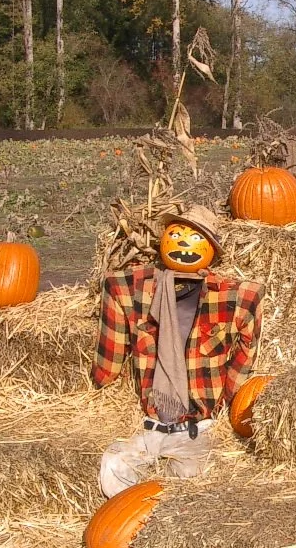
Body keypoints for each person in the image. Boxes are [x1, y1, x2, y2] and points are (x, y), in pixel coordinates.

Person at [92, 205, 264, 498]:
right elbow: (111, 346)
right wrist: (101, 378)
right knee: (114, 467)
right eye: (177, 235)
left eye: (195, 238)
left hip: (199, 426)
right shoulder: (133, 288)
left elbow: (245, 355)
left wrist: (231, 403)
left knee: (189, 489)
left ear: (211, 248)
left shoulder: (236, 297)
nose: (184, 244)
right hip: (151, 423)